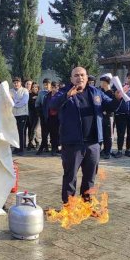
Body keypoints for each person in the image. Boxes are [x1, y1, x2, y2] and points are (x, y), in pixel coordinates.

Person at [48, 67, 120, 206]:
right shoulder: (63, 92)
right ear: (71, 79)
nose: (79, 78)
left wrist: (117, 99)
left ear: (87, 78)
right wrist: (67, 96)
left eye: (82, 75)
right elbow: (53, 105)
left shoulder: (95, 92)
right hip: (72, 144)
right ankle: (69, 206)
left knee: (90, 177)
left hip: (93, 143)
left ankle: (87, 205)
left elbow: (110, 106)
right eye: (76, 75)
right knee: (70, 176)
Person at [113, 72, 130, 158]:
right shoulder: (120, 88)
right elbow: (116, 99)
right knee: (120, 133)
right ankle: (119, 150)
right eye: (128, 78)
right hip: (121, 114)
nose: (129, 79)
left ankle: (128, 150)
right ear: (125, 78)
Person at [11, 77, 29, 155]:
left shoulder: (25, 91)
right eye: (14, 83)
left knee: (21, 131)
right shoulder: (10, 91)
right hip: (13, 114)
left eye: (17, 82)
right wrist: (16, 102)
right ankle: (16, 148)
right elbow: (9, 100)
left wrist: (14, 103)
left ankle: (21, 149)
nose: (16, 84)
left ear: (20, 83)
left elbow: (24, 101)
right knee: (15, 132)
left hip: (22, 114)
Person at [99, 75, 115, 159]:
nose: (100, 83)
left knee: (108, 135)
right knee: (102, 134)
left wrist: (106, 111)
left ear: (105, 83)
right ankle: (103, 150)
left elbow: (113, 106)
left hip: (109, 117)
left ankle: (108, 152)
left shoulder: (112, 93)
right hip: (101, 117)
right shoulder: (101, 92)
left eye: (101, 82)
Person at [35, 79, 52, 155]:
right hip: (43, 114)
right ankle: (43, 146)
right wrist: (40, 112)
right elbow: (37, 103)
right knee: (44, 131)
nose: (46, 86)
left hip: (52, 114)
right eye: (44, 84)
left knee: (52, 131)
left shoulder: (53, 92)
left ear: (50, 84)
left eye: (47, 84)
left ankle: (53, 146)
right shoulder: (41, 93)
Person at [27, 82, 40, 150]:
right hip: (31, 114)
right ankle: (37, 142)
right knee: (32, 129)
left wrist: (37, 98)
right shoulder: (29, 95)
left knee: (34, 129)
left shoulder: (40, 95)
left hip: (38, 114)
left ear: (38, 88)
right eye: (33, 87)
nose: (34, 88)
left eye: (36, 87)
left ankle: (30, 143)